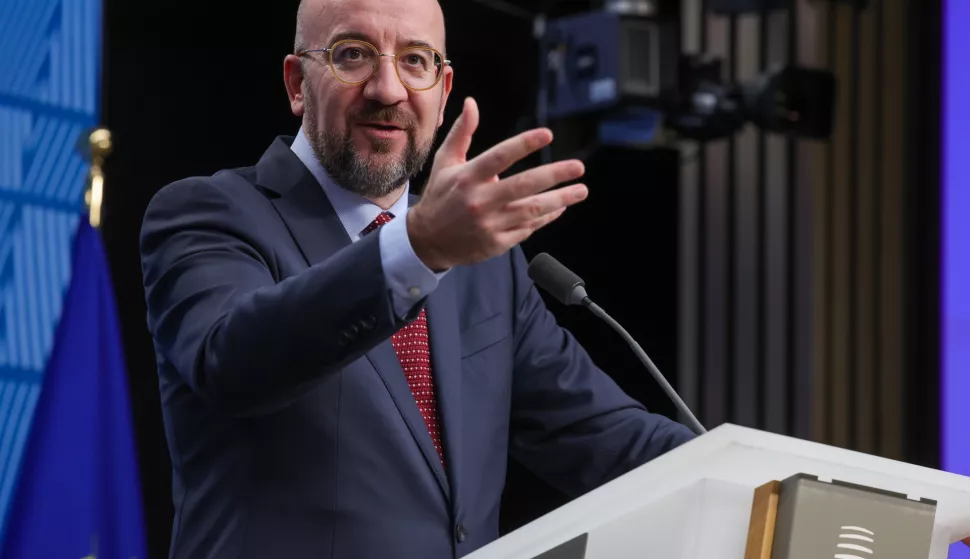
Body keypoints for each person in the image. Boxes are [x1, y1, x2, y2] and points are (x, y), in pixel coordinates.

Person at [138, 0, 697, 557]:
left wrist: (767, 471)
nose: (387, 89)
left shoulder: (483, 265)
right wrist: (415, 249)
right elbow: (235, 362)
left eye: (415, 60)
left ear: (444, 88)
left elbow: (607, 439)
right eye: (352, 55)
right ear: (297, 83)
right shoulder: (208, 214)